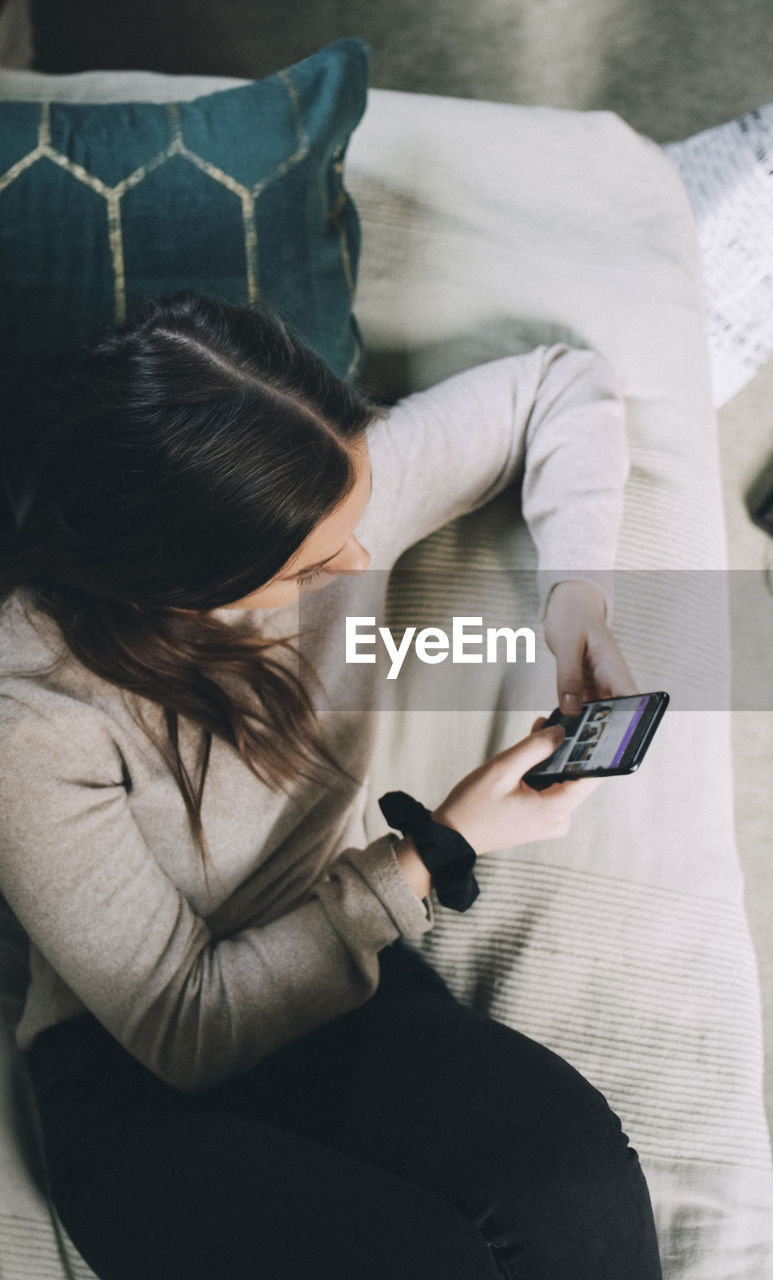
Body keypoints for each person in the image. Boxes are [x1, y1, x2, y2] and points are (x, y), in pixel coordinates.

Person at [0, 291, 662, 1279]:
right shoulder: (32, 711)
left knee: (573, 1181)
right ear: (185, 580)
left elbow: (564, 384)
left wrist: (576, 600)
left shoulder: (327, 488)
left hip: (345, 984)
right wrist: (437, 848)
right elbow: (185, 1025)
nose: (360, 558)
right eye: (316, 564)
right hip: (134, 1078)